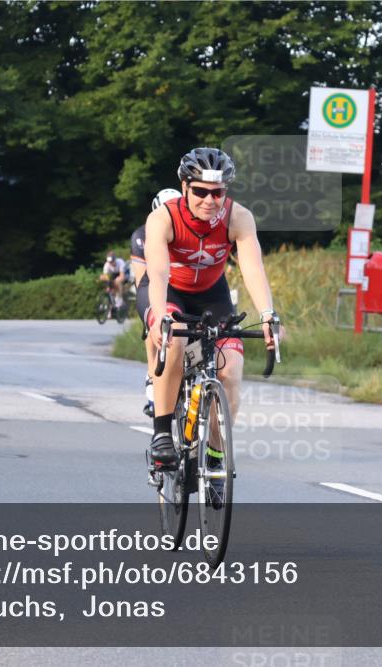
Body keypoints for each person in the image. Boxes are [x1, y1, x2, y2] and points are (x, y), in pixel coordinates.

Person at [140, 147, 280, 474]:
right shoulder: (163, 218)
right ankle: (162, 432)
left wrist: (268, 315)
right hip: (168, 290)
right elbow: (158, 272)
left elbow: (253, 269)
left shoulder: (238, 217)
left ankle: (215, 460)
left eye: (217, 192)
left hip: (211, 295)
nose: (209, 200)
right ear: (185, 187)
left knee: (230, 370)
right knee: (171, 340)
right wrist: (160, 315)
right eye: (200, 191)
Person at [131, 188, 182, 418]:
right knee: (155, 325)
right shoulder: (143, 235)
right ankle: (153, 373)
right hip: (154, 281)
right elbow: (142, 275)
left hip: (182, 286)